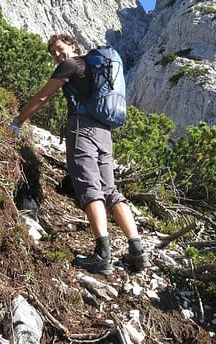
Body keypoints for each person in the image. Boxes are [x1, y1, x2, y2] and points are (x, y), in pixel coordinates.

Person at [9, 34, 149, 275]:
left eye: (59, 47)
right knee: (110, 189)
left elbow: (44, 96)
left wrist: (17, 121)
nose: (56, 54)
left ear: (73, 46)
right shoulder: (95, 69)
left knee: (88, 185)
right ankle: (137, 250)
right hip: (104, 131)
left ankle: (102, 254)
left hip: (82, 128)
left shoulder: (71, 65)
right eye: (52, 51)